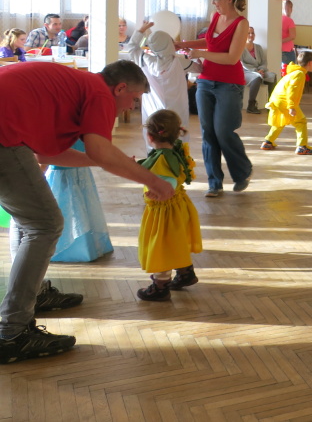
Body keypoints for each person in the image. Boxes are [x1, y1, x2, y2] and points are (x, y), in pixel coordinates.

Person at [0, 59, 175, 363]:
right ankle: (12, 332)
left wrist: (108, 161)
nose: (130, 107)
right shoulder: (99, 92)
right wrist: (153, 181)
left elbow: (47, 154)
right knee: (44, 224)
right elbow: (99, 150)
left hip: (8, 134)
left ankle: (32, 295)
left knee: (33, 220)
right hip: (5, 136)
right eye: (133, 98)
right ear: (120, 88)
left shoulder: (80, 87)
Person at [176, 0, 252, 196]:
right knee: (208, 133)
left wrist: (201, 54)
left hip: (229, 83)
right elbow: (209, 42)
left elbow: (231, 58)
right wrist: (183, 44)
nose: (214, 3)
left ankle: (242, 172)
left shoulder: (241, 24)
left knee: (223, 131)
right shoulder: (214, 17)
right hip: (205, 81)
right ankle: (214, 183)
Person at [8, 139, 114, 263]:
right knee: (61, 210)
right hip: (59, 171)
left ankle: (82, 245)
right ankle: (63, 247)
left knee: (79, 209)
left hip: (77, 168)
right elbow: (45, 153)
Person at [136, 110, 203, 301]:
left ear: (150, 136)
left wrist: (160, 191)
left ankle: (160, 286)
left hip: (164, 211)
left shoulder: (162, 158)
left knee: (162, 246)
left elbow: (170, 179)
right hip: (178, 206)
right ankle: (185, 273)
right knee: (176, 241)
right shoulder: (176, 150)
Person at [124, 20, 197, 138]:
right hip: (176, 108)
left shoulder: (146, 60)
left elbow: (132, 47)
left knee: (154, 131)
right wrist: (191, 54)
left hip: (153, 107)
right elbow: (201, 68)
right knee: (176, 134)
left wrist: (142, 30)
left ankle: (154, 149)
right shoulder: (181, 62)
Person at [261, 50, 312, 155]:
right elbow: (292, 91)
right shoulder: (299, 74)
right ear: (310, 63)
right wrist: (291, 107)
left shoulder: (294, 72)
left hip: (277, 100)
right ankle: (302, 147)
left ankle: (268, 142)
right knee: (300, 122)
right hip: (285, 101)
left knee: (280, 122)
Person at [242, 27, 276, 115]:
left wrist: (261, 69)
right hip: (246, 72)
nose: (251, 35)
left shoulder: (258, 47)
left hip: (260, 70)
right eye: (248, 33)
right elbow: (241, 63)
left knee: (272, 76)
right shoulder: (240, 47)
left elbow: (264, 62)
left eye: (252, 33)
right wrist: (255, 71)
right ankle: (251, 105)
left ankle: (271, 103)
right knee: (257, 77)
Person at [281, 0, 297, 64]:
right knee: (290, 69)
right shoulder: (290, 21)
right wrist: (281, 41)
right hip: (287, 50)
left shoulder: (277, 19)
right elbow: (293, 36)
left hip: (278, 49)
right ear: (291, 8)